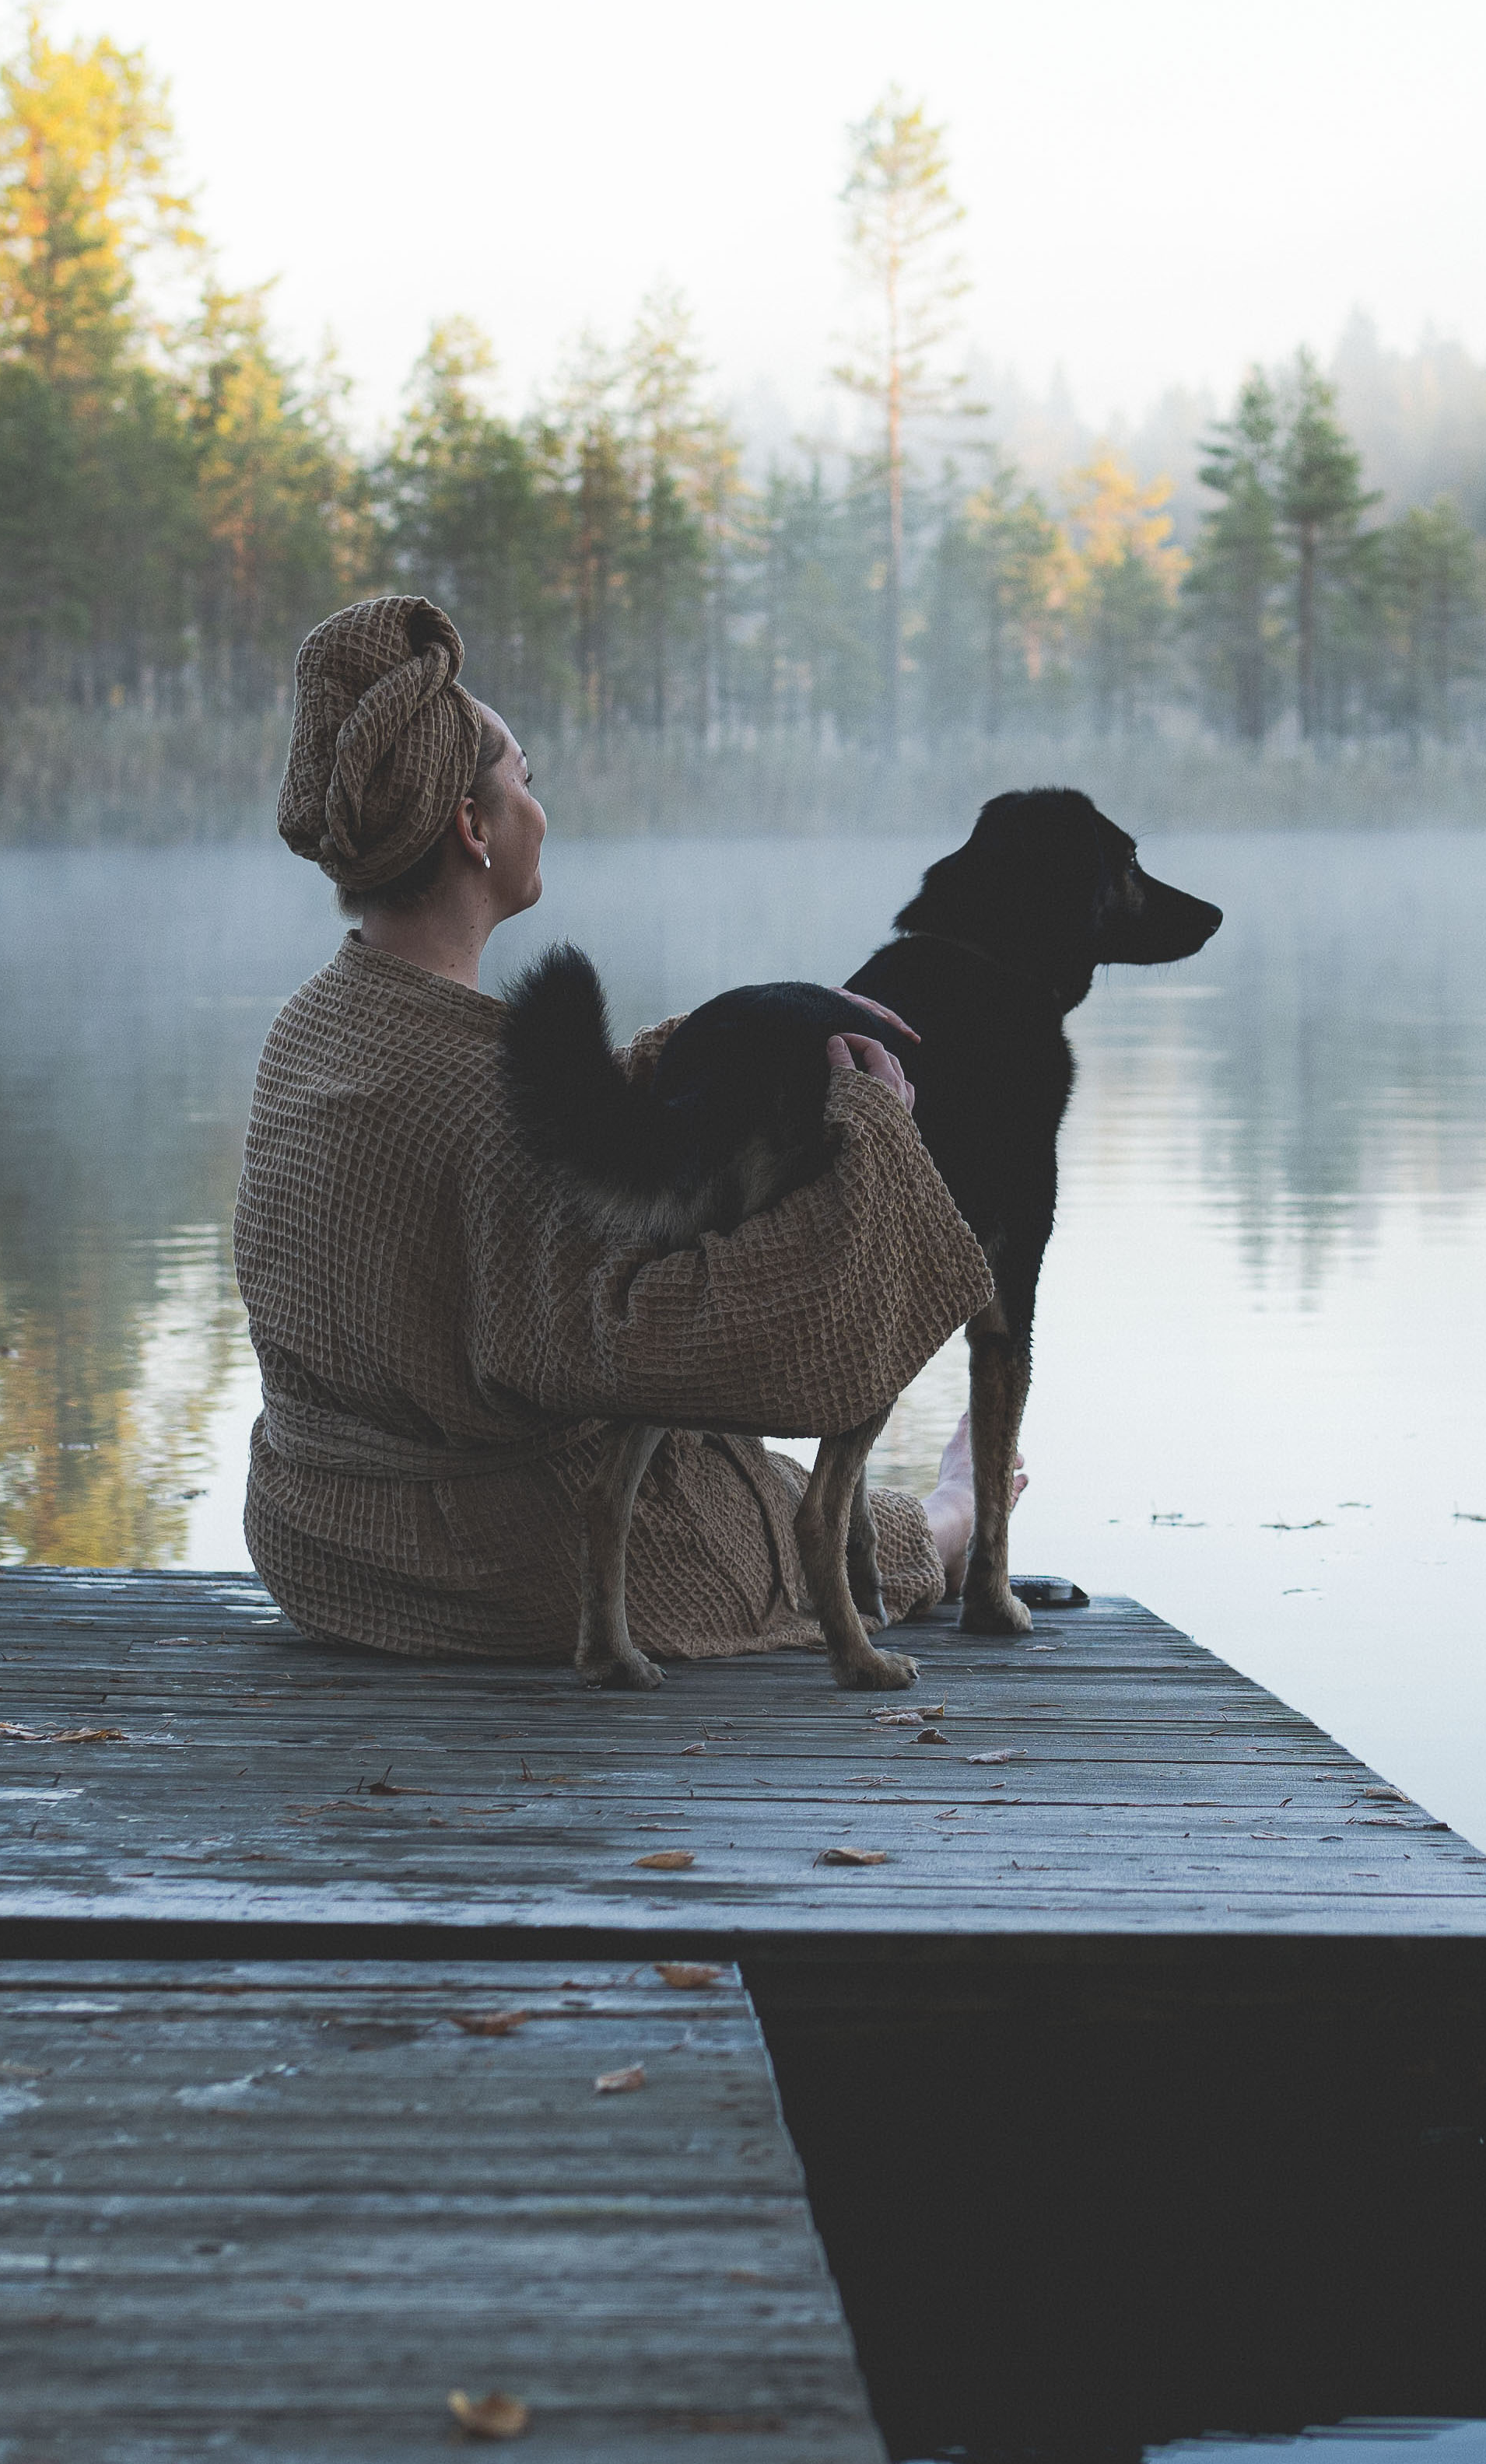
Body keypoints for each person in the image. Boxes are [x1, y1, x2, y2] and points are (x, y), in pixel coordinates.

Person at [230, 593, 1001, 1664]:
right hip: (508, 1568)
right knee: (790, 1506)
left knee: (751, 1480)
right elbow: (660, 1334)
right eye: (527, 782)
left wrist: (751, 1040)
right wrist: (869, 1147)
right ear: (471, 826)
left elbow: (554, 1174)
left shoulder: (311, 1030)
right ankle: (959, 1523)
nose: (541, 810)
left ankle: (937, 1512)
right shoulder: (477, 1098)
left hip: (319, 1540)